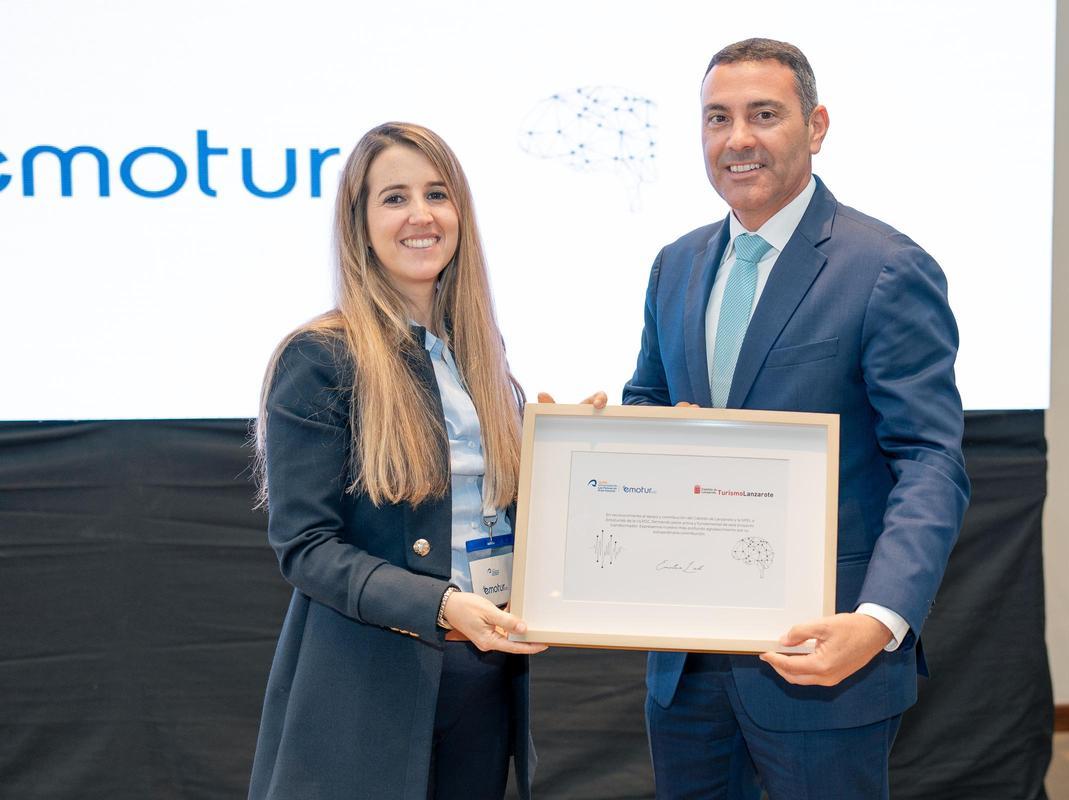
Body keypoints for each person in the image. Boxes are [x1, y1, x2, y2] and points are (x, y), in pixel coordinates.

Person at [622, 39, 971, 798]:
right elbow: (648, 400)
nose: (737, 139)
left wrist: (877, 621)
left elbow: (930, 459)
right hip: (685, 661)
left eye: (764, 115)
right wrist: (615, 436)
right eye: (717, 118)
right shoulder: (675, 264)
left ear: (816, 127)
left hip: (826, 655)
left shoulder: (885, 267)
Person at [247, 122, 546, 800]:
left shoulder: (481, 356)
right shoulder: (319, 359)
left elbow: (504, 512)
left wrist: (575, 452)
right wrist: (440, 604)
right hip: (369, 691)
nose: (421, 215)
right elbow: (306, 547)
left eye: (437, 194)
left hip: (484, 684)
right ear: (359, 224)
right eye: (395, 198)